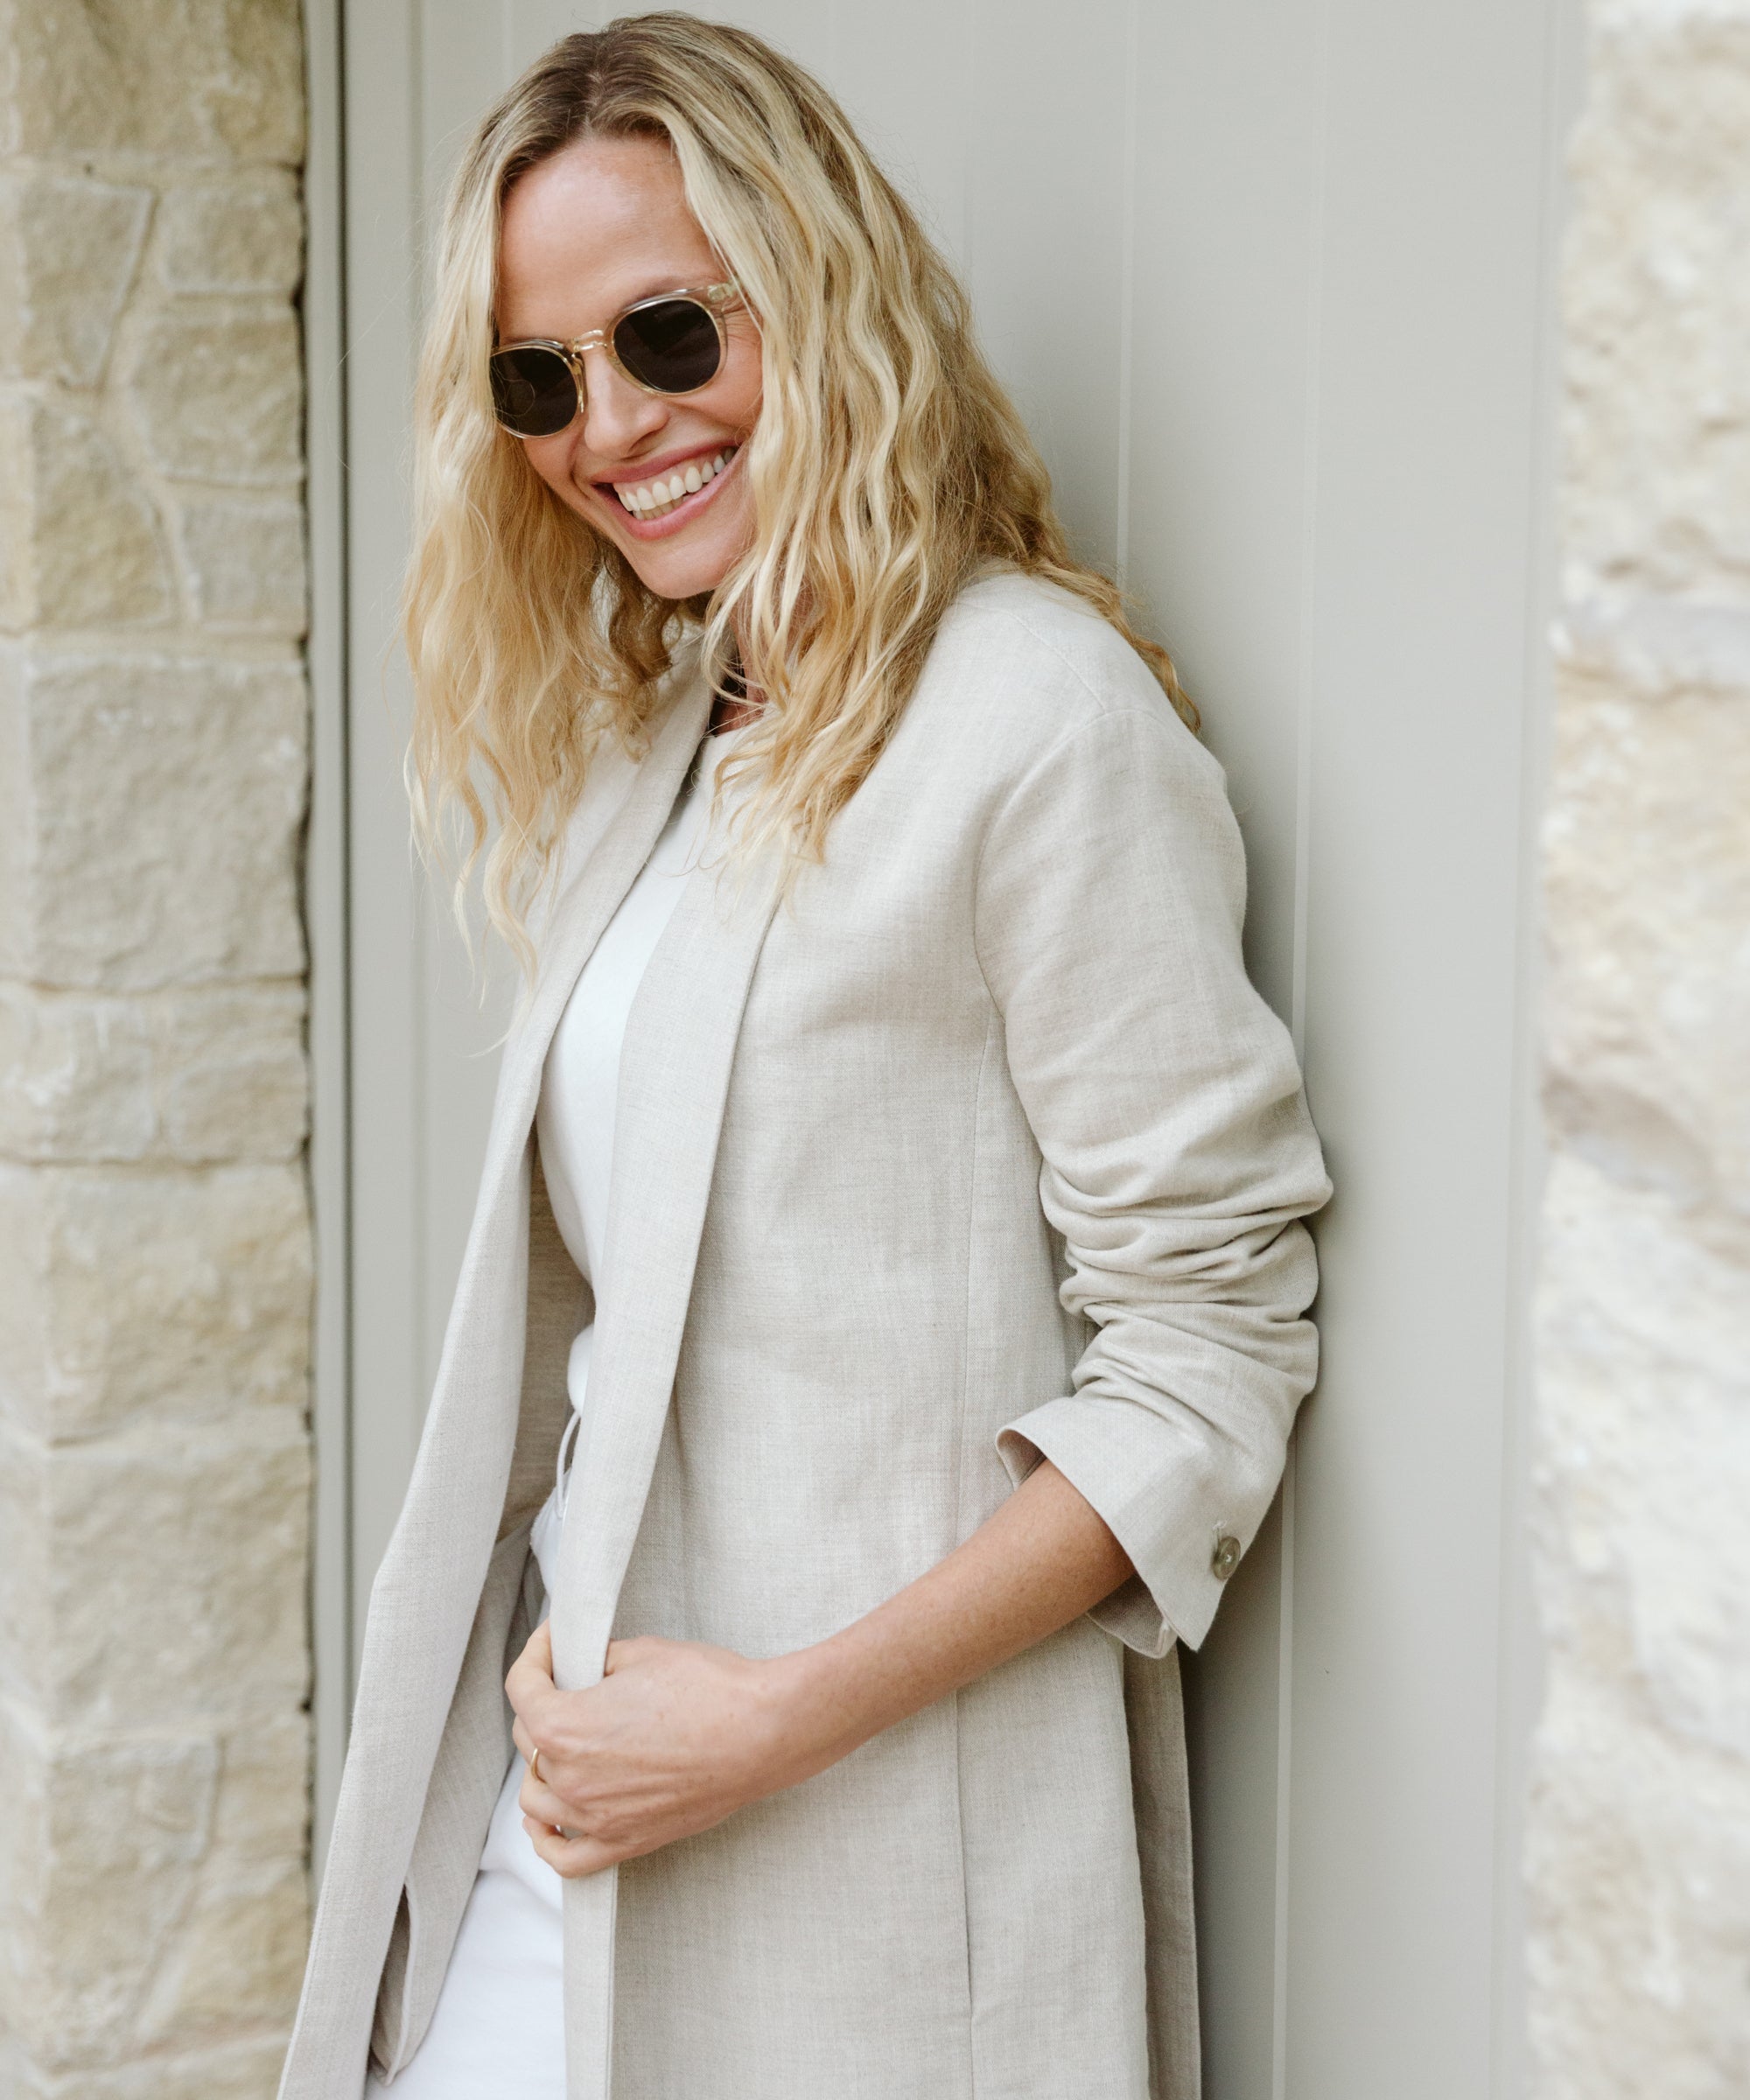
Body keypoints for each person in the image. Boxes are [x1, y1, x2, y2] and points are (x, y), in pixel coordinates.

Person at [278, 17, 1330, 2100]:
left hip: (867, 1862)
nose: (609, 426)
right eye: (536, 378)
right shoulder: (662, 747)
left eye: (668, 336)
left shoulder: (1037, 719)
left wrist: (768, 1722)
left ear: (821, 292)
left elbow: (1206, 1356)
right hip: (563, 1819)